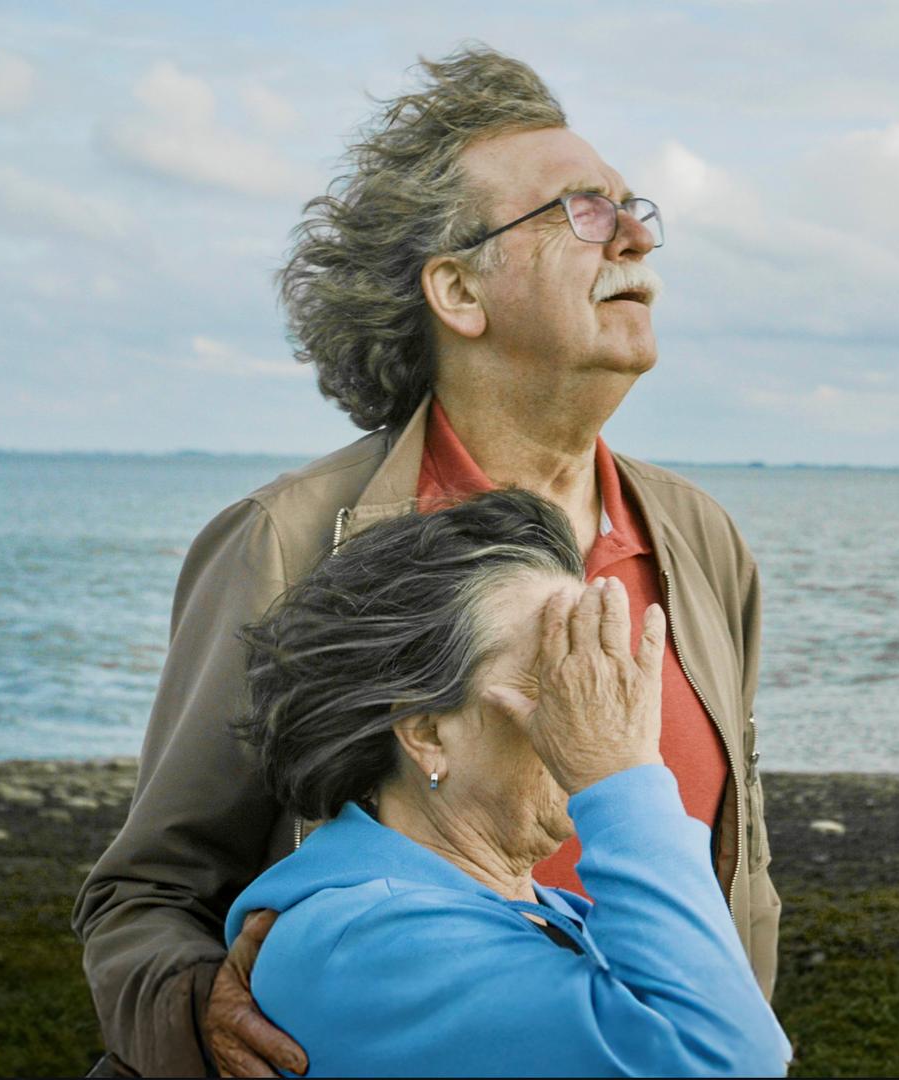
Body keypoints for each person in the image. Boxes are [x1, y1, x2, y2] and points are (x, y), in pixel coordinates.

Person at [73, 43, 780, 1077]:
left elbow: (731, 869)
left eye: (636, 208)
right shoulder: (287, 539)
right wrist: (194, 1011)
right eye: (584, 210)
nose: (635, 237)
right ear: (456, 289)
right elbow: (144, 891)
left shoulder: (700, 538)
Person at [226, 488, 790, 1077]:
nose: (604, 708)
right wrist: (621, 773)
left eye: (596, 670)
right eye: (560, 677)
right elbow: (731, 1059)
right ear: (426, 732)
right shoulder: (373, 942)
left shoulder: (543, 913)